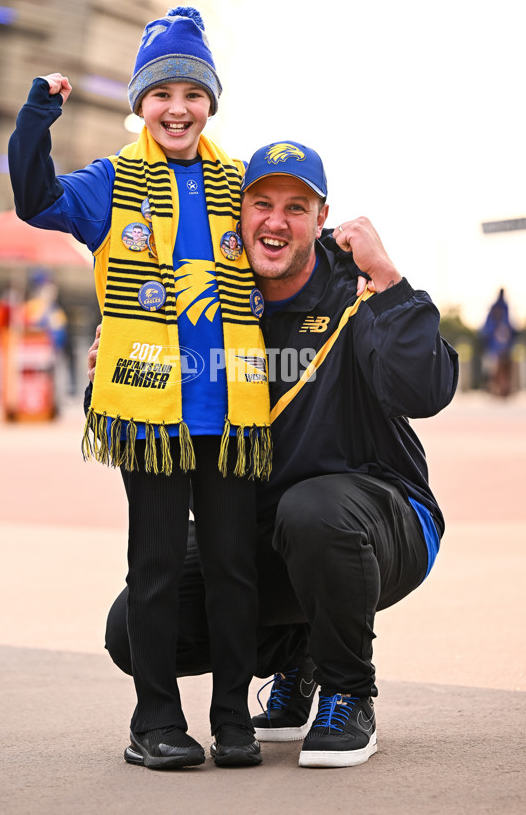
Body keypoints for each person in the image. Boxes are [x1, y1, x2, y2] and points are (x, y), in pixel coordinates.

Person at [97, 140, 459, 769]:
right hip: (264, 534)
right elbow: (144, 415)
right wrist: (115, 362)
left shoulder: (356, 292)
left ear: (322, 219)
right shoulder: (210, 301)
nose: (275, 222)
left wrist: (392, 280)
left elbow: (426, 391)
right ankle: (298, 655)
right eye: (260, 203)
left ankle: (349, 693)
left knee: (312, 512)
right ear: (237, 215)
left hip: (383, 521)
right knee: (133, 627)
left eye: (297, 207)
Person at [8, 7, 273, 769]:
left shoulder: (239, 182)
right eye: (162, 94)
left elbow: (287, 258)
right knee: (156, 570)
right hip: (146, 415)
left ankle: (233, 721)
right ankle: (155, 722)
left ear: (211, 103)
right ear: (140, 104)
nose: (178, 108)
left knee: (232, 569)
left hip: (231, 411)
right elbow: (34, 199)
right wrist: (37, 116)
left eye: (193, 92)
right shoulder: (111, 182)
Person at [480, 288, 517, 397]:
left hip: (503, 348)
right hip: (495, 349)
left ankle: (503, 389)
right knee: (496, 369)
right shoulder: (497, 310)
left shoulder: (504, 309)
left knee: (502, 369)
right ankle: (498, 389)